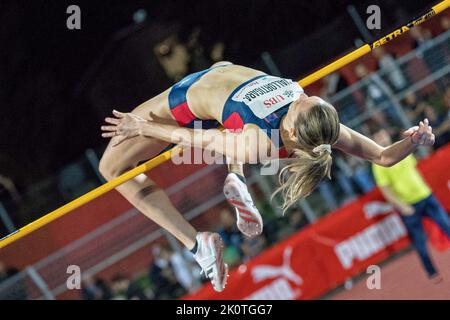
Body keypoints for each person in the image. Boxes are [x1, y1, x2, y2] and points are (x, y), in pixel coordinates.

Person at [100, 62, 435, 292]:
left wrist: (142, 127)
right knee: (234, 124)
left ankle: (196, 242)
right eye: (308, 96)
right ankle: (236, 177)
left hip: (187, 100)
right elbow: (382, 155)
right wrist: (414, 139)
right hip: (221, 81)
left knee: (111, 170)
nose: (303, 95)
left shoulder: (259, 140)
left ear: (293, 126)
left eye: (304, 102)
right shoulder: (322, 125)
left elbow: (197, 140)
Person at [371, 128, 450, 282]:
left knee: (447, 225)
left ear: (387, 134)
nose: (382, 137)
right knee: (420, 241)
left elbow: (414, 168)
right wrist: (402, 207)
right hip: (409, 207)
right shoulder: (378, 164)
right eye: (377, 136)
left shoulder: (402, 150)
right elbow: (385, 190)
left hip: (425, 196)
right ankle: (432, 272)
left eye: (382, 134)